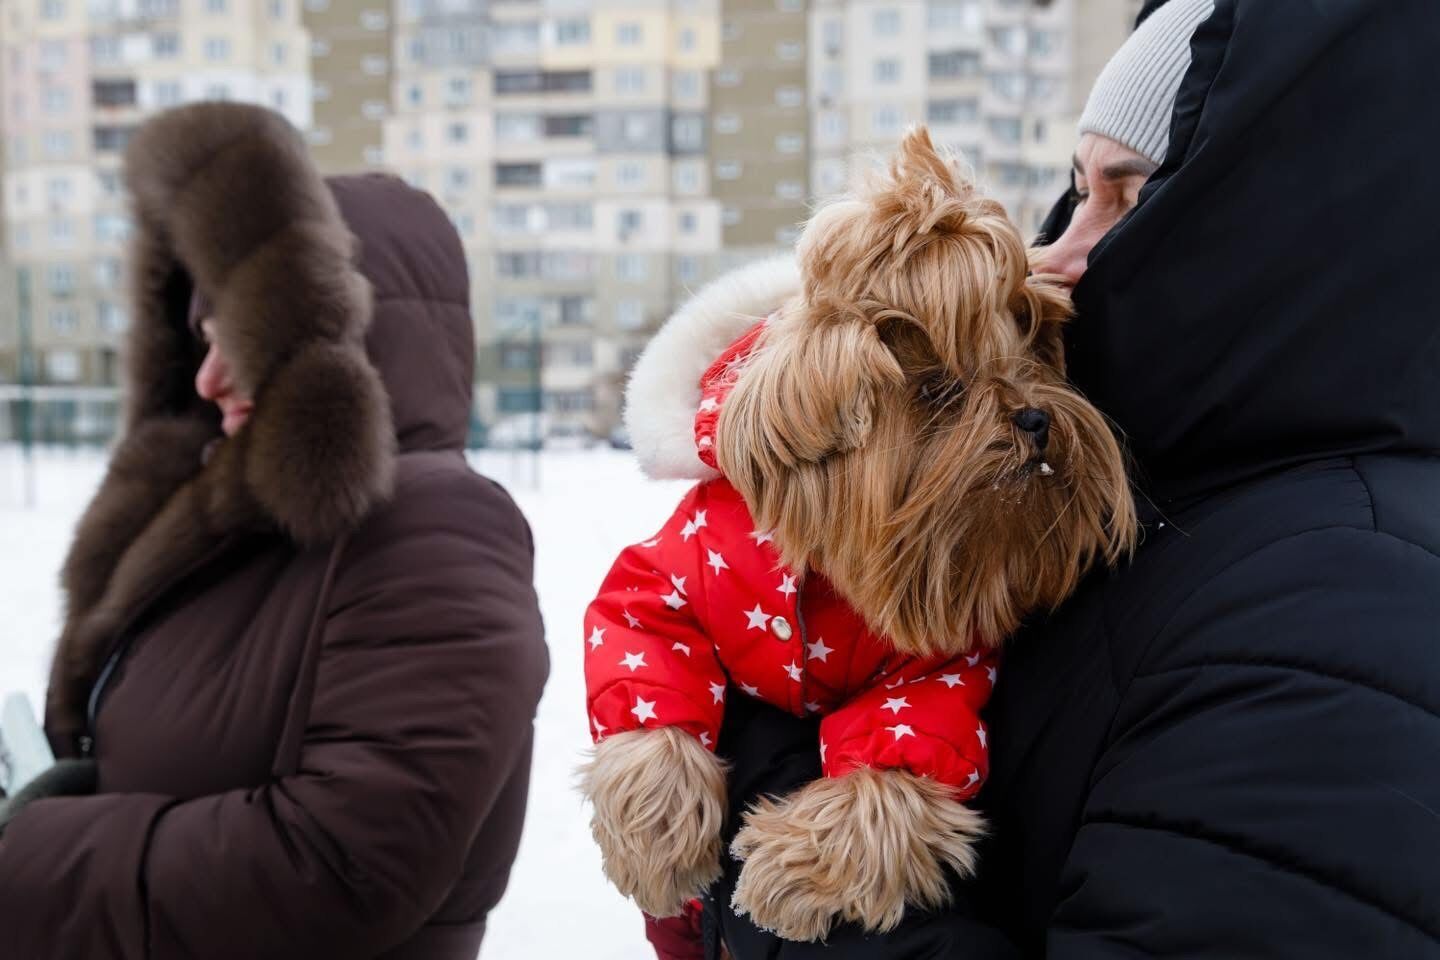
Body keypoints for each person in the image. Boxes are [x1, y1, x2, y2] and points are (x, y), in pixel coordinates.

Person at [706, 0, 1440, 956]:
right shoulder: (1151, 508)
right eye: (1075, 189)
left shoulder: (1336, 603)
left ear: (1280, 220)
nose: (1056, 254)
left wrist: (769, 790)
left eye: (1129, 196)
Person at [0, 103, 550, 959]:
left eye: (245, 341)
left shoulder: (436, 527)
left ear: (340, 341)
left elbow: (343, 863)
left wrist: (30, 855)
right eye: (203, 342)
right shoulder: (241, 530)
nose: (212, 378)